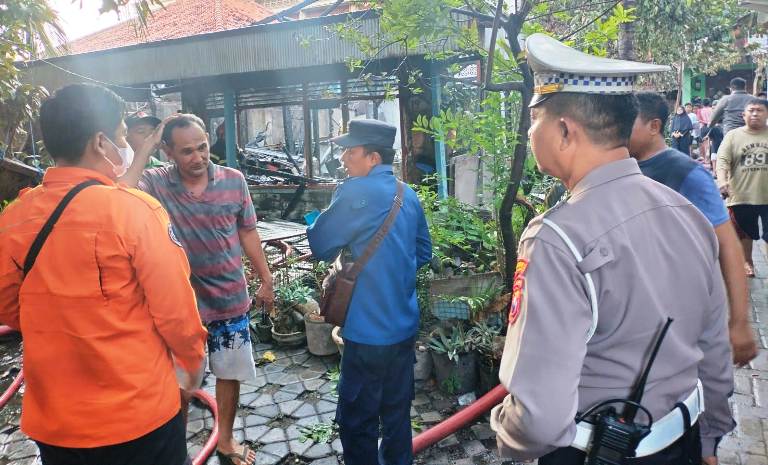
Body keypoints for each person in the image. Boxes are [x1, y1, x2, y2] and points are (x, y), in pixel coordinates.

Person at [491, 34, 734, 465]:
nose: (529, 133)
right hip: (683, 443)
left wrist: (507, 437)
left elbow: (540, 421)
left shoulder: (556, 239)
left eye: (533, 120)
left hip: (594, 453)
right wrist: (711, 437)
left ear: (564, 130)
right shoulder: (687, 213)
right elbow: (714, 344)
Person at [0, 84, 207, 465]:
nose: (125, 143)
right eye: (122, 135)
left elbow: (10, 309)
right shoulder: (135, 212)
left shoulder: (13, 218)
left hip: (56, 424)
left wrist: (60, 323)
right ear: (100, 142)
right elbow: (177, 315)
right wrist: (193, 370)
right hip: (138, 417)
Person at [124, 114, 275, 465]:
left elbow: (248, 232)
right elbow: (121, 189)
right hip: (181, 303)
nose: (198, 157)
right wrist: (145, 149)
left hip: (230, 299)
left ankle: (225, 441)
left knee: (229, 371)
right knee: (177, 382)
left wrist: (265, 278)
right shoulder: (157, 181)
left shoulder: (234, 181)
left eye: (202, 147)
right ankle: (173, 447)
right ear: (169, 153)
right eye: (187, 151)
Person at [306, 119, 432, 465]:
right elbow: (424, 253)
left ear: (373, 157)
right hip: (403, 329)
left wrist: (318, 214)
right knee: (396, 415)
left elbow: (319, 243)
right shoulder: (410, 195)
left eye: (351, 151)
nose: (344, 157)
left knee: (358, 420)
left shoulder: (354, 191)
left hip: (365, 333)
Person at [630, 92, 757, 365]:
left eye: (628, 122)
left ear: (654, 127)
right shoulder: (625, 168)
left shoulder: (686, 173)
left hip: (686, 307)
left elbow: (729, 246)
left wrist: (738, 322)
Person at [717, 98, 768, 279]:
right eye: (751, 110)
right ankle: (748, 261)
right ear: (743, 115)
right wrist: (722, 181)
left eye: (759, 110)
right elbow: (722, 161)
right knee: (745, 233)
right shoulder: (733, 136)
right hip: (741, 194)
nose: (755, 114)